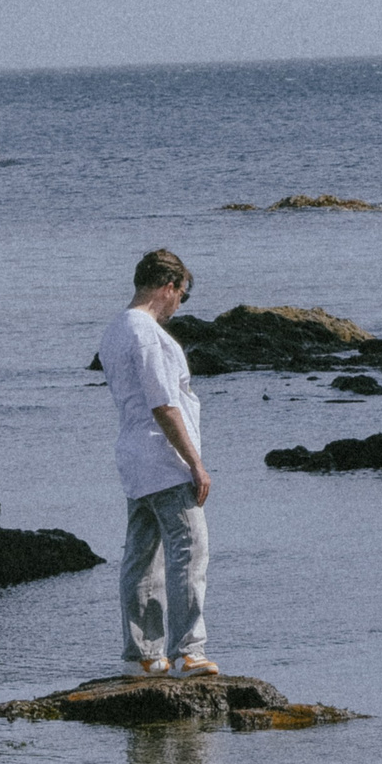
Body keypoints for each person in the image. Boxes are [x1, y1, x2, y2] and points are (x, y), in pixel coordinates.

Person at [97, 247, 218, 679]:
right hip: (163, 459)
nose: (179, 306)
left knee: (141, 558)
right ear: (168, 286)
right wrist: (196, 463)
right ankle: (189, 651)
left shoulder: (114, 331)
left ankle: (144, 656)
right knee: (188, 551)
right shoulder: (146, 333)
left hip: (133, 457)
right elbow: (164, 404)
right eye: (181, 295)